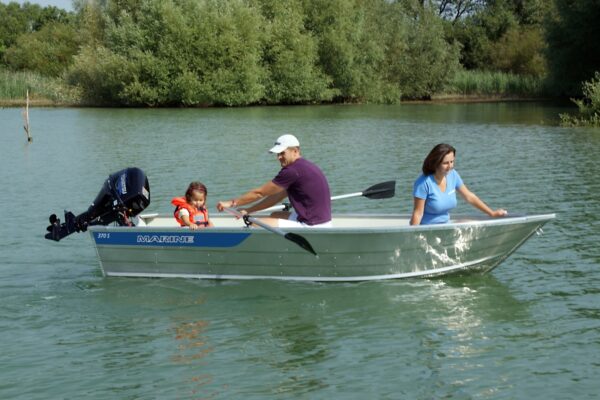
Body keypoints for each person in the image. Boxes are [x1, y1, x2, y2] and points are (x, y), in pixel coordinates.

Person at [216, 134, 332, 227]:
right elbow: (276, 197)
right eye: (277, 154)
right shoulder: (303, 166)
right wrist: (249, 210)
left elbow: (259, 193)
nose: (278, 157)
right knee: (274, 215)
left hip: (312, 225)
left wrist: (231, 203)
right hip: (322, 221)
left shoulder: (292, 171)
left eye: (282, 153)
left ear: (295, 151)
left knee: (255, 224)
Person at [410, 143, 507, 225]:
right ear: (436, 163)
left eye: (452, 161)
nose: (450, 166)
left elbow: (469, 197)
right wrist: (414, 236)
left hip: (446, 225)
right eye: (445, 163)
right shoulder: (423, 183)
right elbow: (418, 213)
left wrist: (492, 213)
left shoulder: (453, 175)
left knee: (471, 224)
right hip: (428, 228)